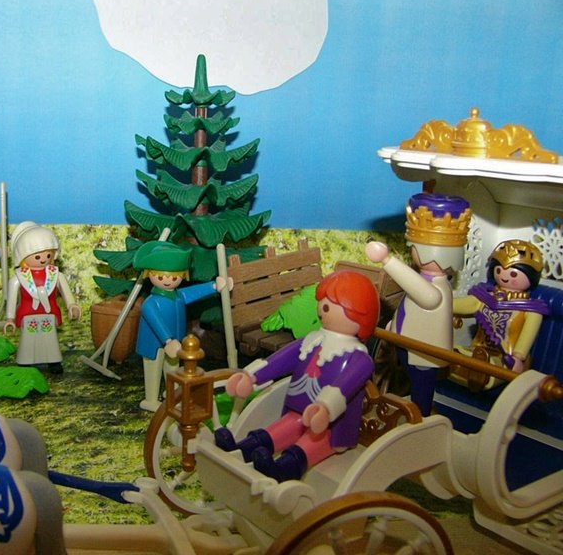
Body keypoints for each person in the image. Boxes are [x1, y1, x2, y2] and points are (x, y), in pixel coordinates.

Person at [214, 271, 379, 482]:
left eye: (331, 303)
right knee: (277, 430)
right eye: (323, 302)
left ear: (359, 314)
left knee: (311, 442)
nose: (322, 307)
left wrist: (326, 407)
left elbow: (345, 386)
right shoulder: (312, 340)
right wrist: (252, 376)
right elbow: (280, 360)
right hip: (298, 412)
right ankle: (242, 449)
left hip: (334, 426)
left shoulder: (360, 358)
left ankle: (286, 468)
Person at [366, 192, 471, 415]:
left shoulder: (435, 289)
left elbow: (424, 296)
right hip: (409, 345)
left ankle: (420, 418)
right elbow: (410, 307)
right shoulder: (431, 283)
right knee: (414, 383)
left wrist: (386, 260)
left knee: (421, 389)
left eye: (415, 248)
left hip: (425, 353)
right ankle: (415, 414)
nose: (412, 251)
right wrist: (394, 327)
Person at [133, 241, 230, 412]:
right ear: (149, 275)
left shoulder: (178, 296)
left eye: (174, 278)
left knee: (172, 369)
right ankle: (151, 399)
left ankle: (171, 393)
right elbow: (156, 322)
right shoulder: (150, 303)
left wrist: (215, 286)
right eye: (161, 277)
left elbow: (194, 292)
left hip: (175, 342)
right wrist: (167, 340)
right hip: (154, 343)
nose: (168, 281)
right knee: (153, 370)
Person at [454, 239, 548, 373]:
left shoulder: (531, 309)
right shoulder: (485, 296)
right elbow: (467, 304)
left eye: (513, 274)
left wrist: (518, 356)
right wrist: (445, 304)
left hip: (506, 358)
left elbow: (527, 336)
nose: (504, 276)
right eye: (499, 270)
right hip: (477, 349)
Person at [4, 222, 81, 373]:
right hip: (27, 313)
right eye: (37, 256)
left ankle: (53, 361)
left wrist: (72, 305)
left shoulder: (55, 275)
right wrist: (10, 318)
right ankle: (26, 361)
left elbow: (66, 292)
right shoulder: (18, 277)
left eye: (48, 255)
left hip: (49, 313)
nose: (43, 259)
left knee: (50, 338)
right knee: (28, 339)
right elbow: (12, 298)